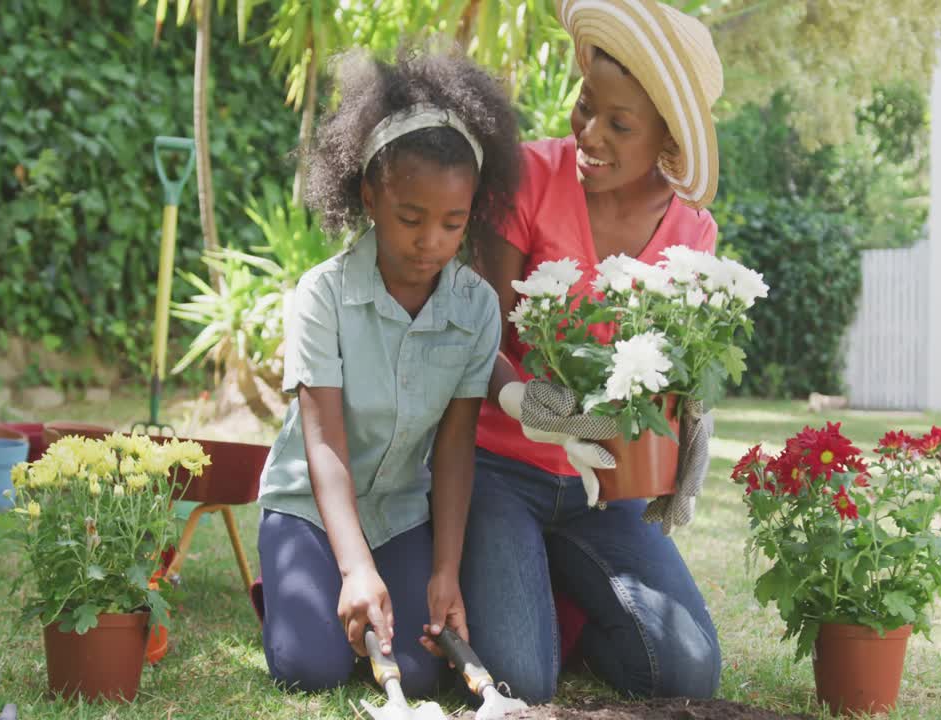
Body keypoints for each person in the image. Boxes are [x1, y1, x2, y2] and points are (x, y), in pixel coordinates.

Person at [461, 0, 725, 703]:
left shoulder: (692, 234)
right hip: (499, 468)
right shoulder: (530, 177)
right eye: (586, 107)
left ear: (667, 141)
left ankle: (557, 591)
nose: (589, 132)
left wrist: (690, 427)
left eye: (620, 124)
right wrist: (531, 402)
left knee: (688, 673)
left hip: (603, 487)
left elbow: (673, 369)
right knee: (524, 676)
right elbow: (477, 336)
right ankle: (524, 582)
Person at [255, 47, 521, 695]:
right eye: (410, 218)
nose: (430, 240)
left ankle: (344, 595)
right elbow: (324, 441)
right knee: (309, 667)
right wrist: (353, 570)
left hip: (401, 509)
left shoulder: (476, 307)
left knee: (427, 671)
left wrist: (445, 569)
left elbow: (457, 444)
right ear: (370, 196)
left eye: (452, 223)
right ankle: (293, 592)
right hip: (309, 506)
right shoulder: (322, 295)